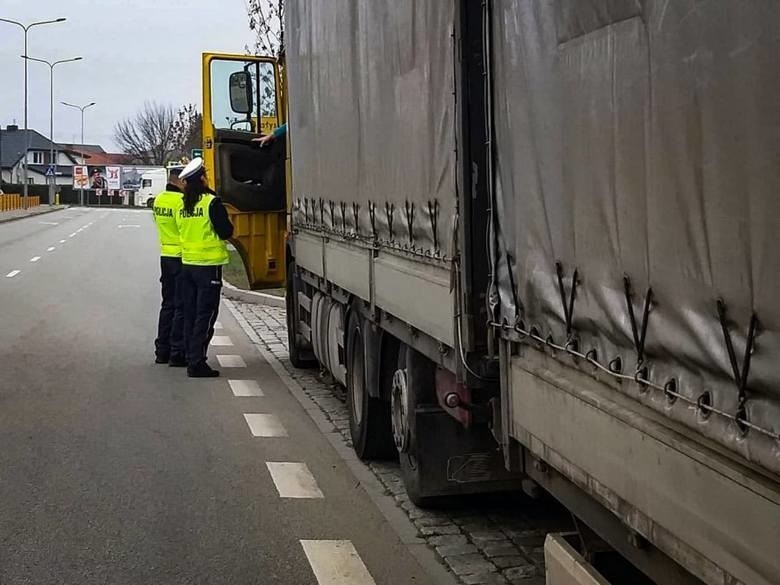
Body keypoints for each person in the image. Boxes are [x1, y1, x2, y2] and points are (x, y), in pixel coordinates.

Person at [176, 157, 234, 378]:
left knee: (190, 313)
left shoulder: (182, 205)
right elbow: (226, 231)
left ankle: (189, 355)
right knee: (206, 315)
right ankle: (197, 362)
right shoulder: (211, 202)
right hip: (208, 267)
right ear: (202, 178)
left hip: (187, 265)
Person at [152, 168, 186, 367]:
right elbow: (186, 227)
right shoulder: (180, 202)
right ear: (180, 181)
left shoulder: (158, 200)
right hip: (181, 257)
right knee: (180, 306)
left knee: (167, 305)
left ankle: (161, 351)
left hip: (165, 256)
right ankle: (176, 351)